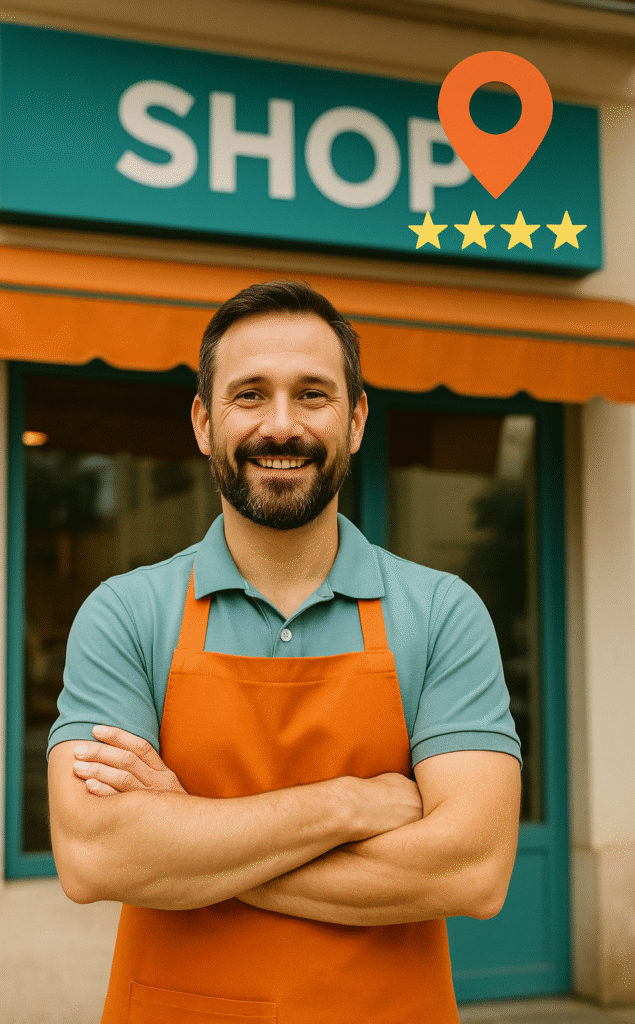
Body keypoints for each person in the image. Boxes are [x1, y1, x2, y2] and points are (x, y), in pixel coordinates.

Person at [47, 280, 522, 1024]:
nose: (280, 425)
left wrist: (190, 835)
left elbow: (472, 870)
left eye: (311, 395)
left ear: (355, 418)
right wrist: (352, 802)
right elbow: (94, 857)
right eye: (248, 395)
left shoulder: (440, 612)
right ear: (203, 422)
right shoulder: (125, 612)